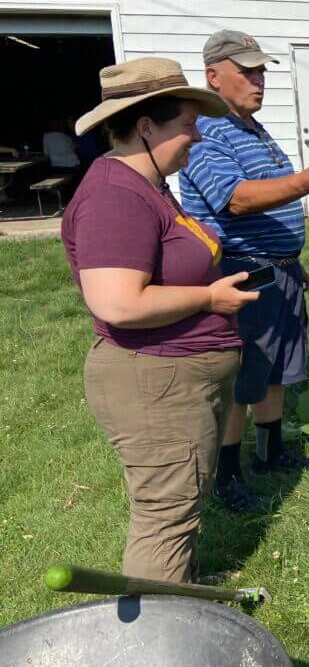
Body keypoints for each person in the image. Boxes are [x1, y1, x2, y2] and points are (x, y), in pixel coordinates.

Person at [61, 57, 259, 582]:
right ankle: (159, 635)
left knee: (181, 502)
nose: (197, 136)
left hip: (173, 376)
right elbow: (118, 303)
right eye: (188, 125)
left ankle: (182, 595)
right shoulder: (115, 196)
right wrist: (208, 299)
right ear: (146, 126)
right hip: (155, 380)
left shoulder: (147, 184)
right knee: (164, 519)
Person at [180, 29, 309, 512]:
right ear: (213, 76)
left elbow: (264, 196)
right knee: (243, 378)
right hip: (241, 273)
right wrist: (305, 183)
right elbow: (234, 199)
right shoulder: (206, 133)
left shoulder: (251, 128)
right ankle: (227, 475)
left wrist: (290, 260)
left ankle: (272, 451)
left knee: (276, 368)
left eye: (262, 71)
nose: (260, 81)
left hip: (275, 270)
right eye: (248, 71)